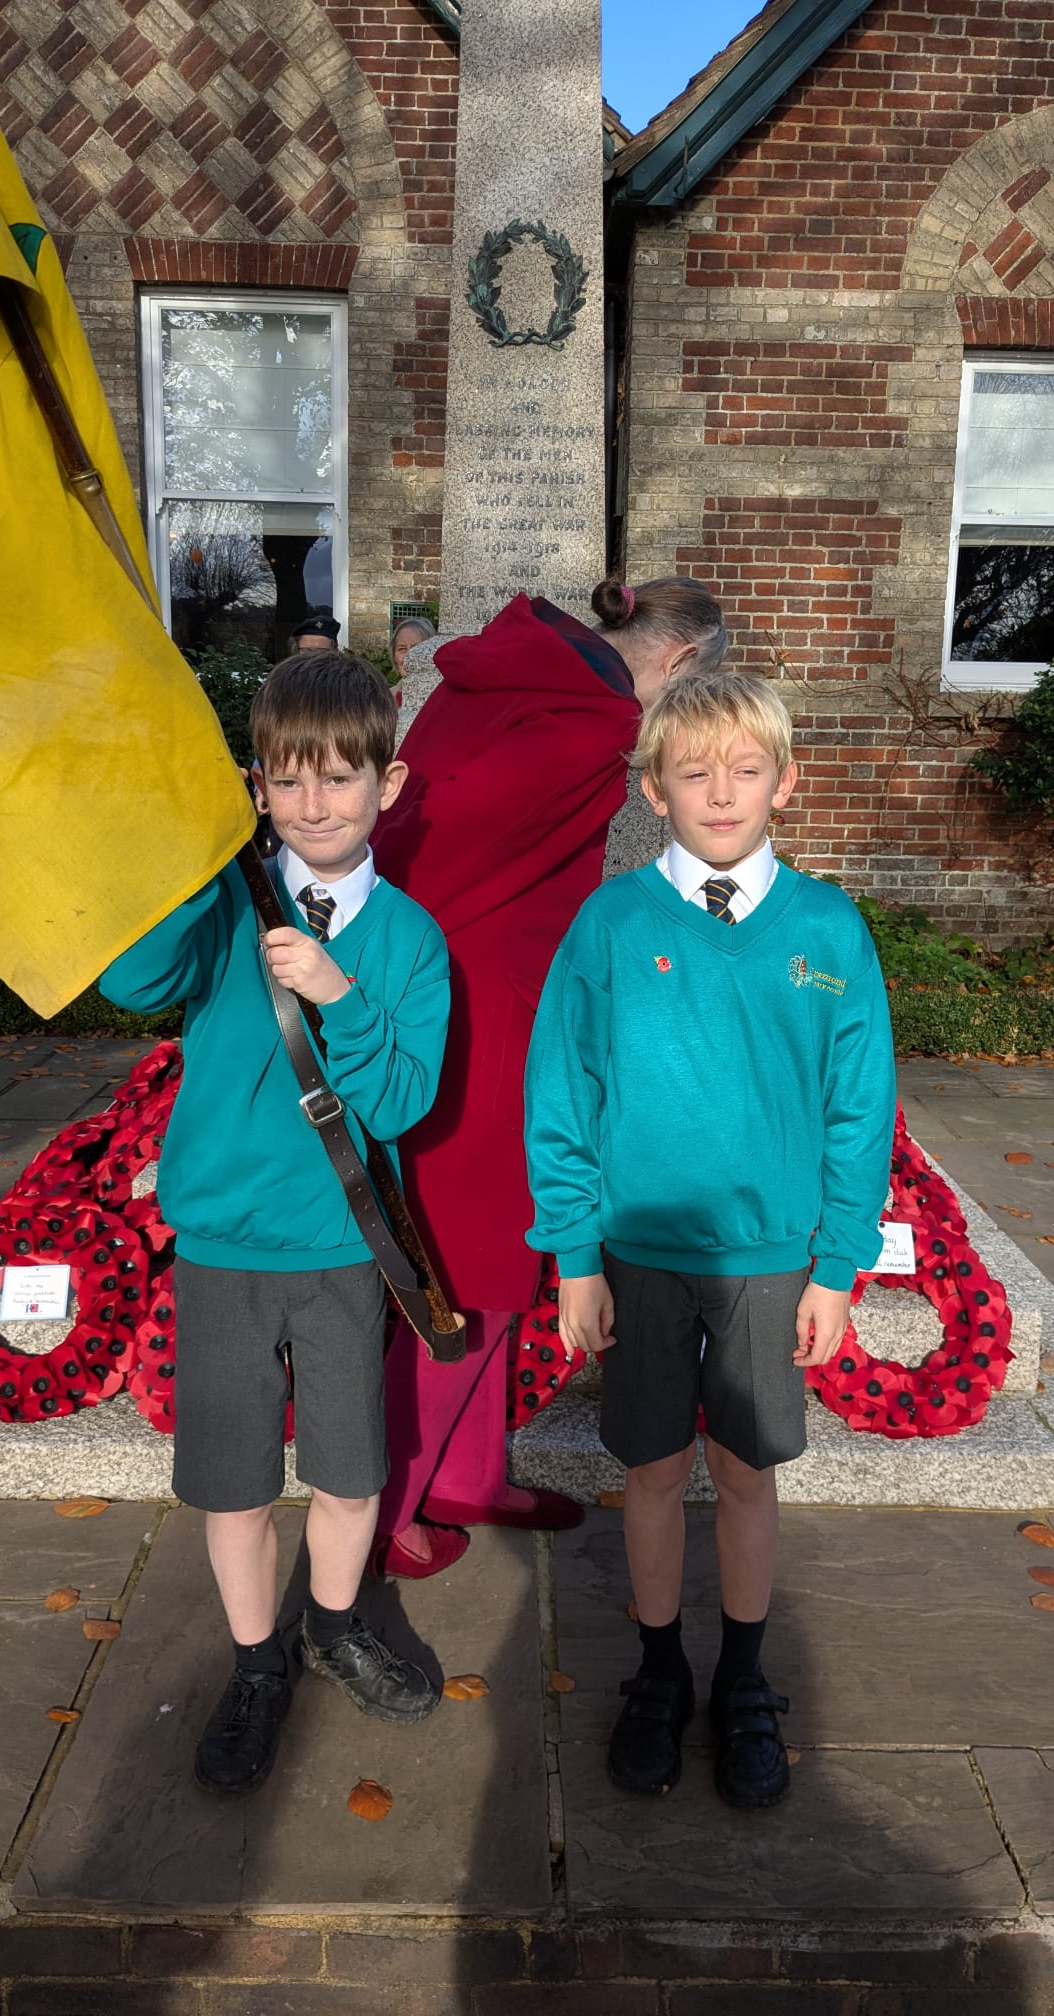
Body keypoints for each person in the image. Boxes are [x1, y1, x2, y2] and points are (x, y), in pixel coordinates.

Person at [524, 668, 895, 1808]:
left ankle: (741, 1679)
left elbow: (857, 1105)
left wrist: (836, 1266)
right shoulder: (612, 923)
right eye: (696, 772)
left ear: (786, 780)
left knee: (743, 1470)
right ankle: (656, 1672)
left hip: (769, 1260)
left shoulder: (828, 929)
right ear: (655, 788)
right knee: (647, 1468)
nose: (721, 791)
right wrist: (576, 1253)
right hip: (639, 1253)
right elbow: (563, 1089)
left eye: (745, 769)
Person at [100, 652, 450, 1795]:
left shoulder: (408, 941)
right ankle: (257, 1663)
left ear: (385, 787)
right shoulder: (224, 904)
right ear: (258, 786)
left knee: (350, 1477)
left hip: (345, 1253)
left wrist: (340, 996)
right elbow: (134, 980)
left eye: (340, 780)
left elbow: (401, 1100)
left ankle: (336, 1622)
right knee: (237, 1485)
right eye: (290, 782)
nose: (315, 806)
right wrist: (184, 866)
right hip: (224, 1254)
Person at [368, 578, 728, 1577]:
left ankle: (470, 1475)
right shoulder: (590, 724)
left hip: (459, 999)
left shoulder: (500, 671)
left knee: (491, 1260)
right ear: (682, 661)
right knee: (471, 1275)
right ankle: (393, 1511)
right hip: (485, 1023)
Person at [390, 614, 436, 681]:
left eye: (416, 648)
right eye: (402, 649)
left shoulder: (444, 691)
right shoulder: (386, 691)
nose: (408, 655)